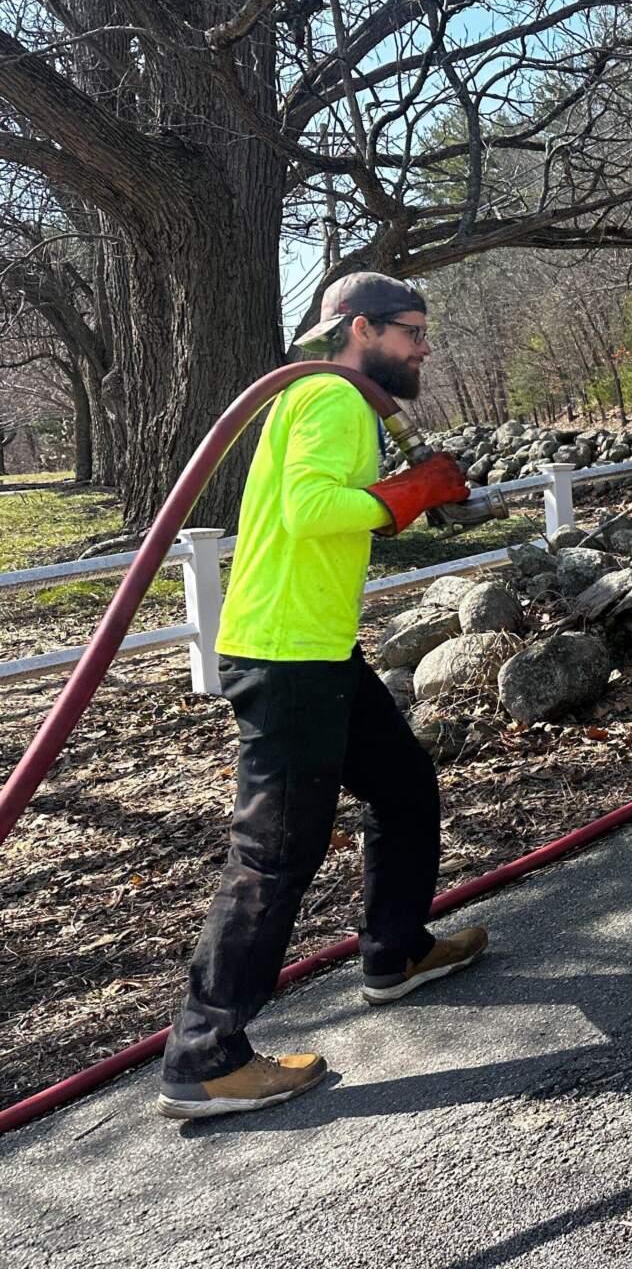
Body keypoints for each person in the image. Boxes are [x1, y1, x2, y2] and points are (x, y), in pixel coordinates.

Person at [157, 272, 489, 1121]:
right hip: (287, 655)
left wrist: (403, 492)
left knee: (405, 788)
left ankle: (395, 951)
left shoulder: (323, 397)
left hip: (316, 648)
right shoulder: (335, 397)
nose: (422, 346)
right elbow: (310, 511)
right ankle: (206, 1056)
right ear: (364, 329)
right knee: (275, 854)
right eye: (412, 330)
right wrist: (412, 495)